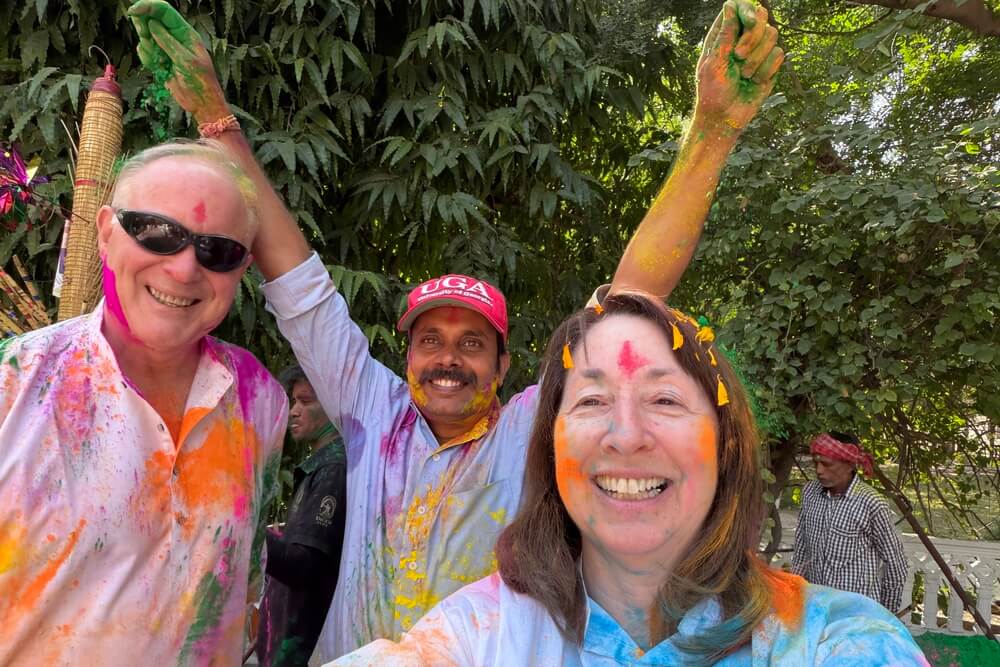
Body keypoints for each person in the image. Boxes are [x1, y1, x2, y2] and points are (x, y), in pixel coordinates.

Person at [128, 0, 785, 657]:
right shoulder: (370, 409)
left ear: (503, 367)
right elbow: (294, 278)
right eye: (431, 340)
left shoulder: (531, 432)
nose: (449, 359)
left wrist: (713, 133)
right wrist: (215, 118)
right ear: (405, 354)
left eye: (473, 343)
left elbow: (631, 300)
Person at [329, 293, 928, 666]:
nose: (625, 434)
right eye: (590, 401)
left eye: (665, 399)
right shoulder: (478, 635)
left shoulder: (829, 641)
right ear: (550, 444)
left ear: (726, 445)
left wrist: (712, 138)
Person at [0, 141, 287, 664]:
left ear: (241, 270)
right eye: (158, 233)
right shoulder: (14, 385)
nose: (183, 269)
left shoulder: (260, 400)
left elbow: (242, 587)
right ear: (106, 232)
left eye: (217, 251)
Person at [256, 366, 347, 667]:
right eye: (293, 401)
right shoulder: (318, 468)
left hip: (303, 647)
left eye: (305, 402)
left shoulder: (333, 470)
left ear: (334, 404)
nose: (293, 411)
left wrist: (250, 535)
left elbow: (306, 565)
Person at [791, 432, 909, 613]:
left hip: (857, 614)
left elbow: (895, 562)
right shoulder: (810, 493)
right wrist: (795, 595)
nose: (819, 471)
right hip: (816, 608)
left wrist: (885, 613)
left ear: (849, 465)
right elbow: (801, 549)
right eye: (816, 463)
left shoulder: (871, 503)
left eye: (827, 464)